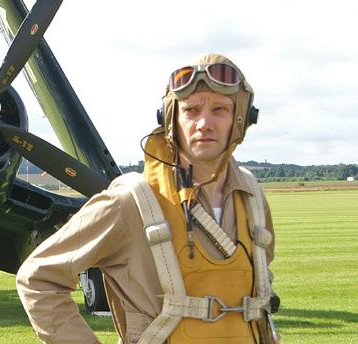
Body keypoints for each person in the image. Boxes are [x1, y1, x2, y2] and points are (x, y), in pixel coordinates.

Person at [16, 53, 279, 344]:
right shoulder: (130, 202)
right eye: (191, 110)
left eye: (219, 110)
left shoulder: (251, 198)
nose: (204, 123)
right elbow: (38, 278)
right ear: (171, 120)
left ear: (240, 119)